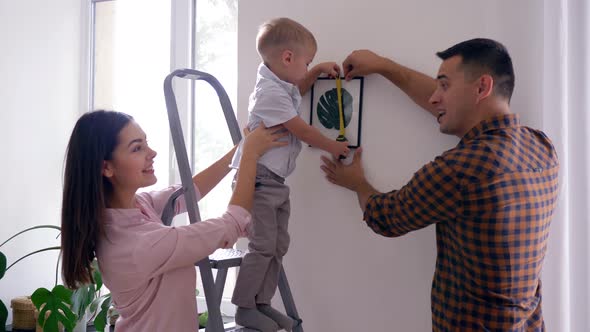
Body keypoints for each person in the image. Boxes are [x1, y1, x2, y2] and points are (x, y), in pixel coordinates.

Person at [321, 39, 560, 331]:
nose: (434, 98)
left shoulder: (460, 170)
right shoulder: (542, 147)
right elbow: (452, 110)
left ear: (482, 88)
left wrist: (357, 183)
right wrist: (384, 66)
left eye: (444, 86)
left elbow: (386, 217)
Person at [60, 110, 287, 331]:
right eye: (137, 148)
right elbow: (231, 223)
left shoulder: (137, 206)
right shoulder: (136, 244)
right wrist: (250, 155)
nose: (152, 152)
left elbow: (188, 192)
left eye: (146, 143)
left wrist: (239, 150)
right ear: (106, 167)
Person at [229, 17, 350, 332]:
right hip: (258, 181)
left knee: (279, 244)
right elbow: (302, 130)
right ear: (287, 58)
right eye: (305, 61)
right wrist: (334, 147)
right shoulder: (268, 94)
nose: (306, 68)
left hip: (274, 183)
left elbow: (298, 88)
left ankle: (262, 303)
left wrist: (316, 69)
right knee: (263, 246)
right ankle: (244, 307)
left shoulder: (280, 86)